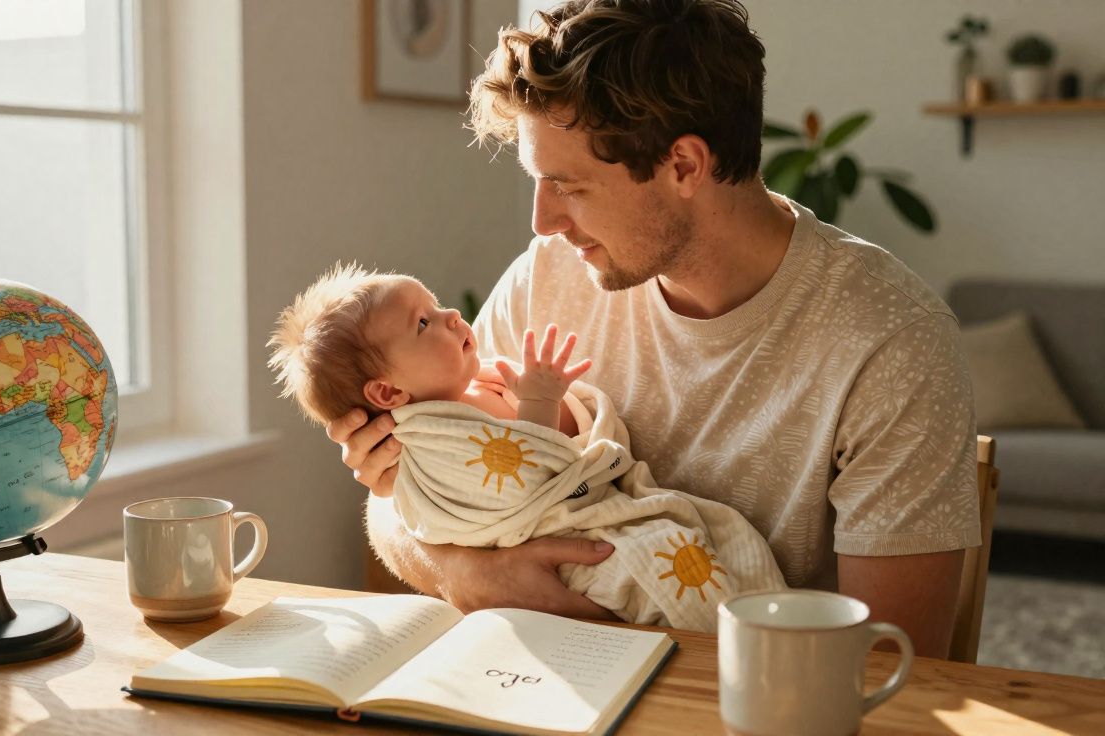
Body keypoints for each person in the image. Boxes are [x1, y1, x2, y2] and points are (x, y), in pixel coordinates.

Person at [328, 0, 980, 658]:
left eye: (568, 186)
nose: (543, 222)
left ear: (685, 167)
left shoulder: (890, 341)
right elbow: (397, 505)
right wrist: (463, 572)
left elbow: (900, 666)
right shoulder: (549, 278)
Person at [269, 264, 785, 630]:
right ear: (388, 393)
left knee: (713, 535)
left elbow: (557, 443)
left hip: (589, 515)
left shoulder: (476, 385)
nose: (451, 315)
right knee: (668, 569)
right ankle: (739, 639)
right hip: (569, 557)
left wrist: (558, 408)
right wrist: (537, 401)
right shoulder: (431, 436)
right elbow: (525, 484)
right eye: (423, 323)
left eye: (436, 303)